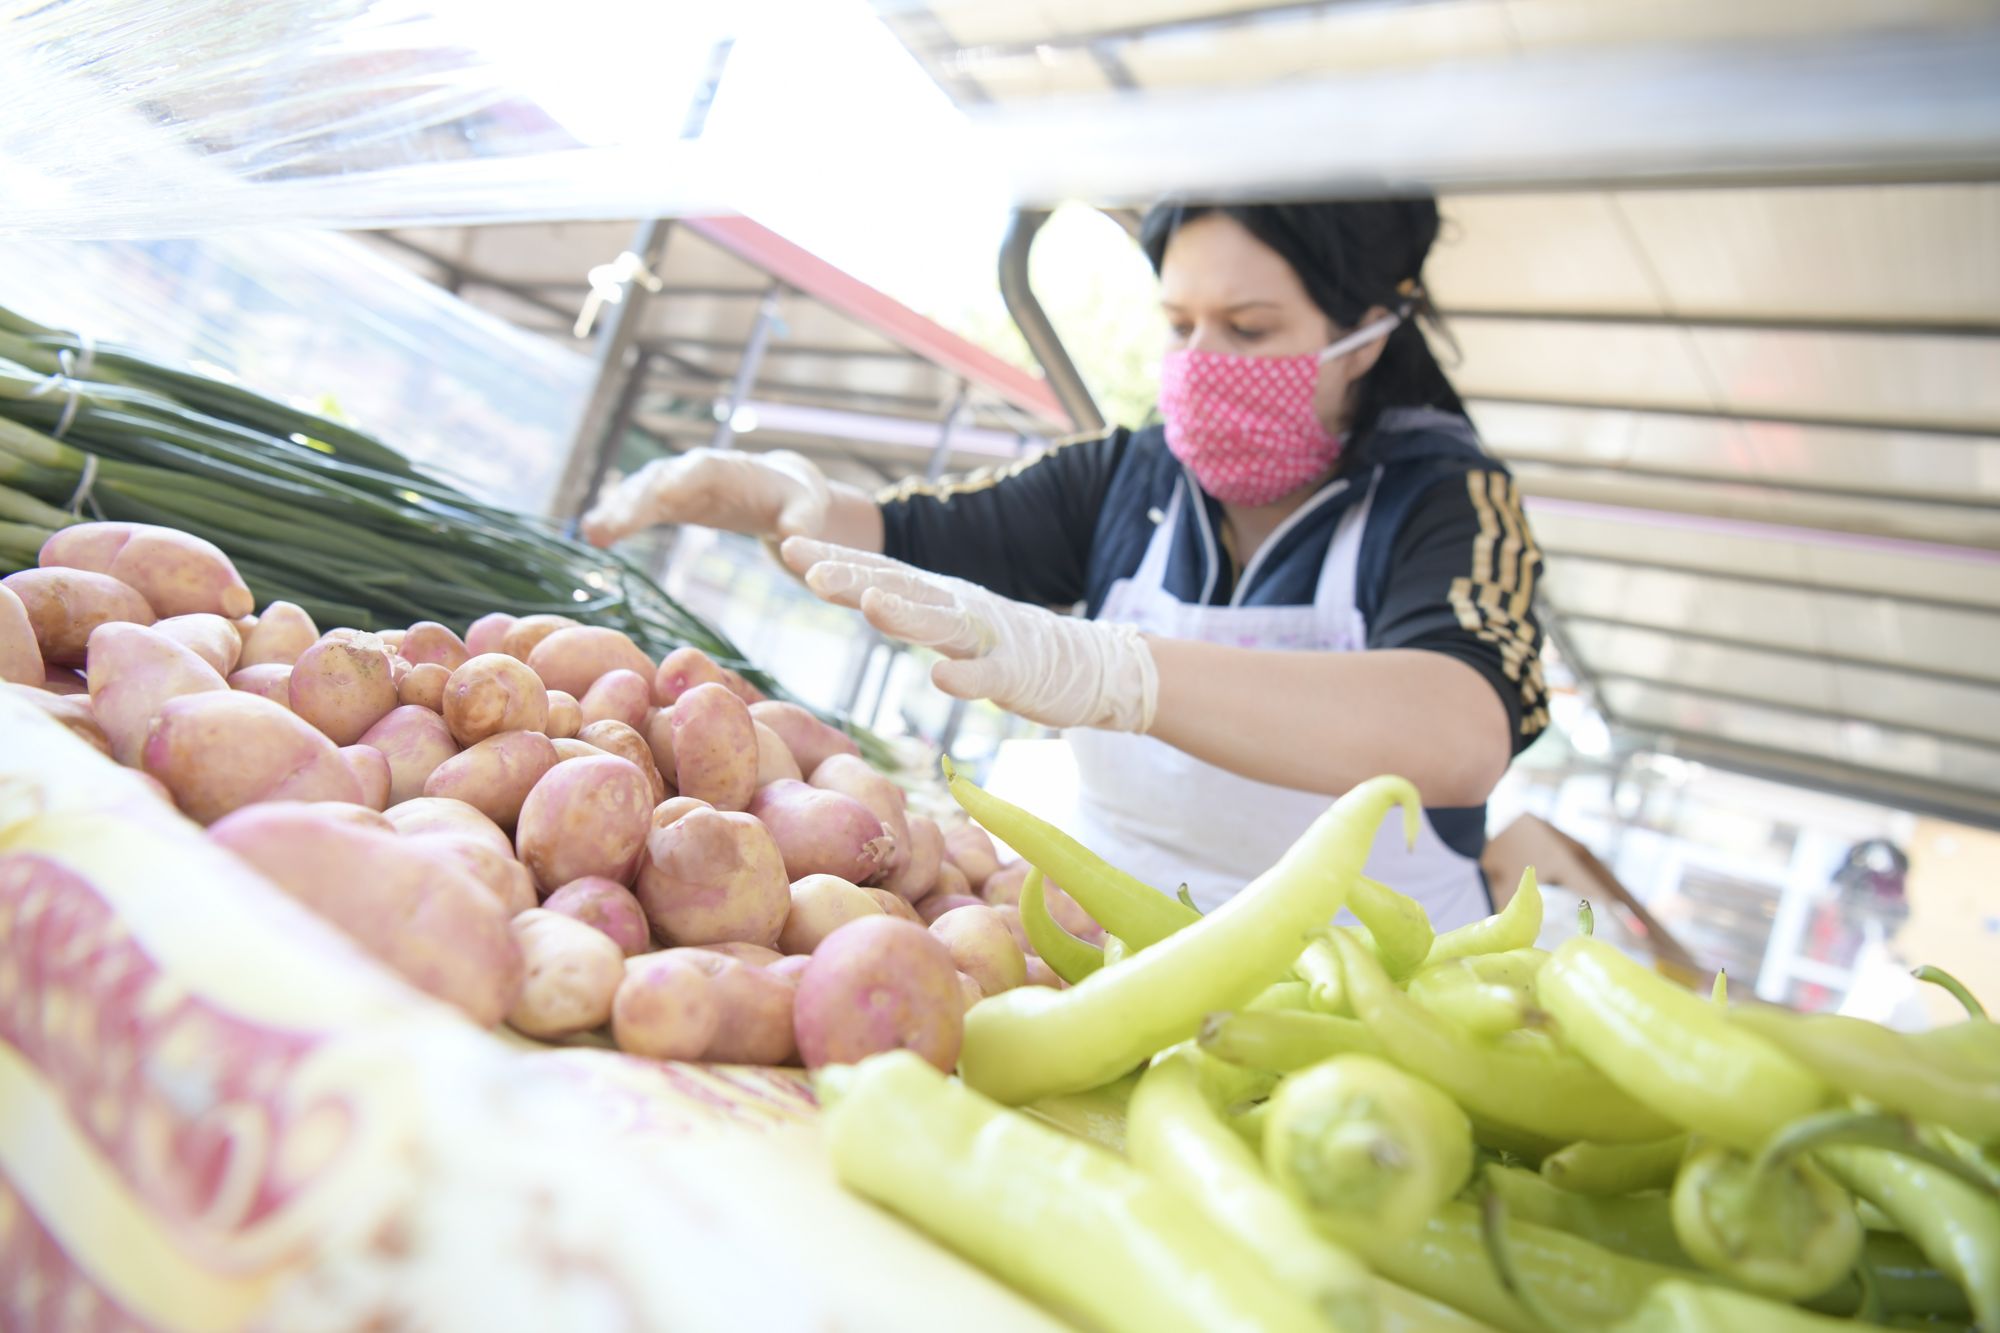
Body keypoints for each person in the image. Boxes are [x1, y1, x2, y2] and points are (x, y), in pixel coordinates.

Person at [584, 197, 1547, 929]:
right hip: (1105, 939)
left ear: (1367, 335)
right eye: (1179, 326)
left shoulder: (1448, 500)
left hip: (1362, 982)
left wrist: (1116, 671)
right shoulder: (1124, 476)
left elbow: (1459, 729)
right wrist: (795, 502)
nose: (1202, 361)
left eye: (1248, 330)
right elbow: (909, 542)